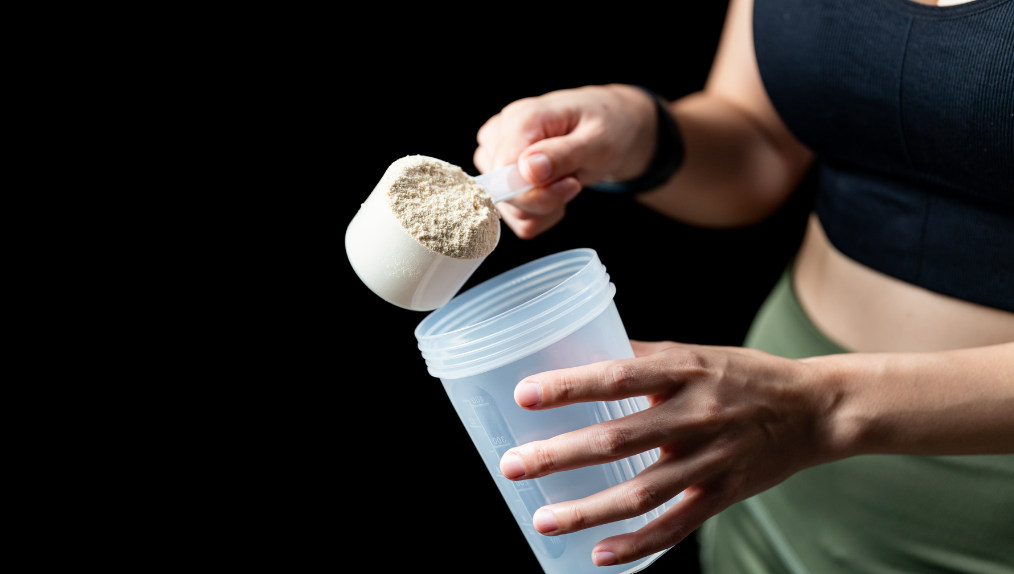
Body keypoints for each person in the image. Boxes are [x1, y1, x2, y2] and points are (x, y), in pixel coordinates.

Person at [472, 0, 1014, 571]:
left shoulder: (804, 411)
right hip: (771, 435)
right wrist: (640, 133)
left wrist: (823, 410)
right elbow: (760, 142)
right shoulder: (776, 415)